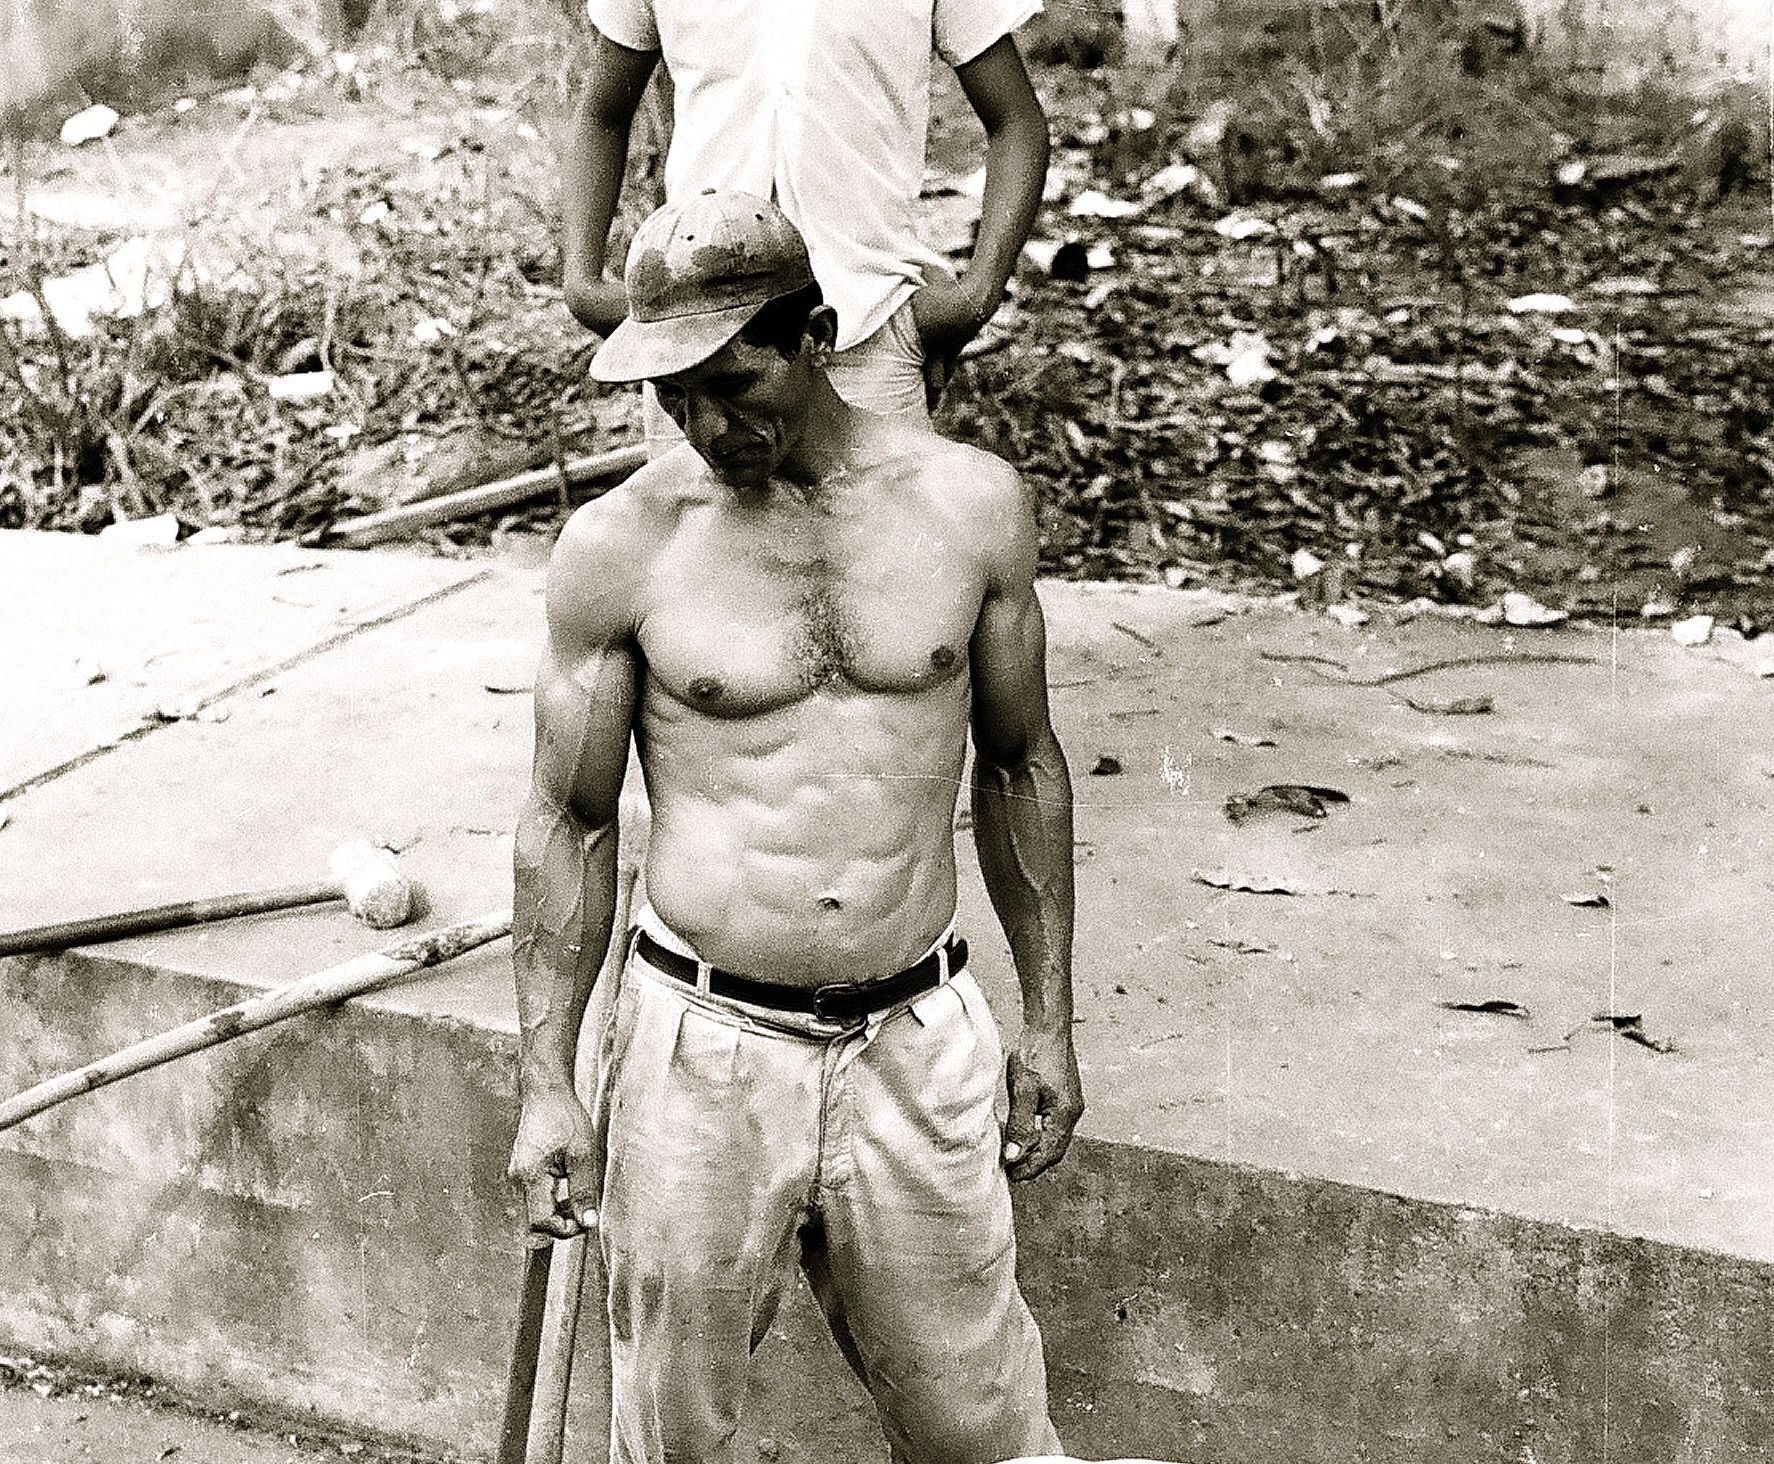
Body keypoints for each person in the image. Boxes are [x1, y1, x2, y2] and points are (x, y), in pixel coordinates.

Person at [509, 189, 1083, 1464]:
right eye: (674, 397)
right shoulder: (622, 548)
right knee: (674, 1436)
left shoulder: (969, 506)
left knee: (981, 1422)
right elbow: (570, 821)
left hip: (916, 1038)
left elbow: (1018, 763)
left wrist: (1046, 1019)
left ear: (815, 331)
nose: (711, 426)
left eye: (735, 380)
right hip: (699, 1053)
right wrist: (548, 1082)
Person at [560, 0, 1051, 430]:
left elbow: (1016, 120)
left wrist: (978, 293)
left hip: (866, 326)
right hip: (692, 343)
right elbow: (603, 113)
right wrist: (582, 283)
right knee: (702, 530)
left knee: (873, 527)